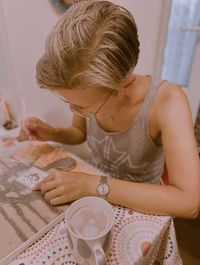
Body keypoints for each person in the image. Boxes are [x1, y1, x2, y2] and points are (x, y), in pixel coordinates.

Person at [18, 0, 200, 218]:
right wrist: (52, 133)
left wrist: (96, 186)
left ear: (124, 83)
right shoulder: (86, 88)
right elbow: (79, 133)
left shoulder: (168, 102)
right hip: (91, 188)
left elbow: (189, 203)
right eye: (68, 101)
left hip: (141, 204)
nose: (73, 108)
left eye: (83, 107)